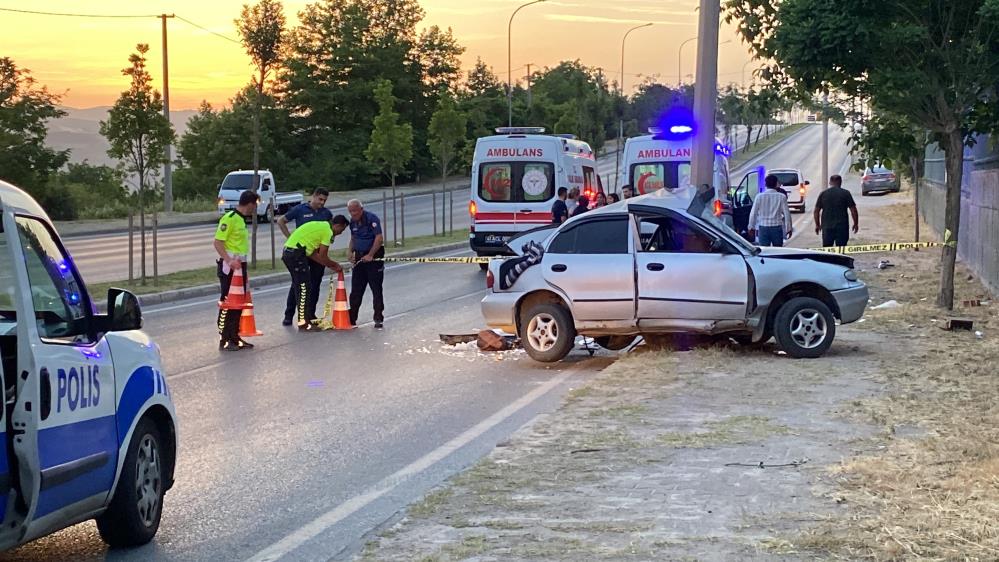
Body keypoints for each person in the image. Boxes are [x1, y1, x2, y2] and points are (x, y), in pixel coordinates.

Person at [278, 188, 334, 326]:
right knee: (298, 283)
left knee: (315, 284)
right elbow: (281, 221)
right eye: (320, 199)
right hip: (301, 252)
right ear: (313, 196)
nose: (322, 202)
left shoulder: (326, 213)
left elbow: (330, 231)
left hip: (316, 253)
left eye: (324, 200)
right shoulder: (300, 209)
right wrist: (290, 238)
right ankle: (289, 314)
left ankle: (310, 314)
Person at [282, 217, 345, 331]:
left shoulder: (321, 225)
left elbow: (312, 254)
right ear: (338, 225)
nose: (341, 233)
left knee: (301, 287)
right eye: (342, 230)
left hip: (289, 252)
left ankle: (305, 320)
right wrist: (335, 265)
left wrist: (330, 265)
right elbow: (322, 256)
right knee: (304, 288)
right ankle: (304, 323)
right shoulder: (328, 231)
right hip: (296, 255)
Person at [213, 190, 257, 351]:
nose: (255, 209)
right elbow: (218, 242)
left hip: (240, 267)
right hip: (229, 266)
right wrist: (228, 260)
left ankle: (234, 336)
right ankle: (224, 338)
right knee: (227, 302)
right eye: (255, 205)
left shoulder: (241, 220)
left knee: (239, 303)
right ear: (250, 203)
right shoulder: (229, 218)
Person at [347, 199, 385, 328]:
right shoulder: (352, 222)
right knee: (356, 289)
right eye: (351, 212)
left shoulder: (371, 219)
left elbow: (379, 238)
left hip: (374, 256)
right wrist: (350, 252)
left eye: (355, 211)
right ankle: (352, 318)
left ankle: (378, 317)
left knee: (376, 288)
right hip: (359, 256)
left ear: (361, 209)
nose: (353, 214)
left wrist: (371, 255)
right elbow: (353, 238)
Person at [814, 174, 859, 247]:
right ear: (840, 182)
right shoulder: (845, 193)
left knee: (827, 251)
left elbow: (816, 211)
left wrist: (817, 225)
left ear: (830, 182)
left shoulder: (823, 194)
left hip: (827, 227)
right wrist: (856, 223)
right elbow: (853, 210)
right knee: (841, 249)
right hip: (842, 227)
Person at [748, 174, 793, 247]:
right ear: (776, 184)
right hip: (777, 228)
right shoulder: (781, 197)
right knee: (777, 251)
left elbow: (753, 213)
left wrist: (751, 227)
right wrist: (789, 228)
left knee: (764, 251)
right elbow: (787, 214)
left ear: (765, 184)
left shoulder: (759, 197)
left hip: (763, 227)